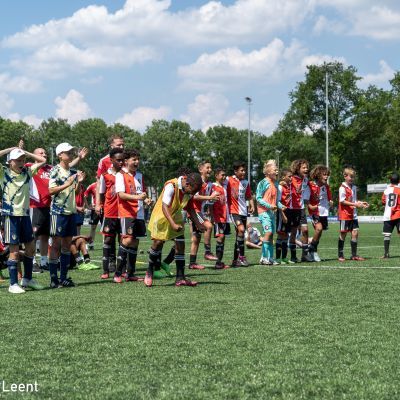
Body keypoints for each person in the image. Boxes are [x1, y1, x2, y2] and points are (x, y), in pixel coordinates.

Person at [145, 172, 204, 287]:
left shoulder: (189, 190)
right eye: (193, 191)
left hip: (175, 216)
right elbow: (164, 207)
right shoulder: (171, 186)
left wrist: (198, 224)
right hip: (161, 216)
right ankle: (149, 271)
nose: (193, 194)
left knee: (180, 244)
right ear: (187, 184)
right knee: (158, 243)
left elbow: (190, 208)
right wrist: (172, 224)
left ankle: (180, 278)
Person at [0, 147, 46, 293]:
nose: (21, 163)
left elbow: (43, 160)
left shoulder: (27, 172)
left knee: (31, 248)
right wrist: (11, 149)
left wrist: (25, 152)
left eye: (23, 160)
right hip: (11, 217)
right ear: (10, 162)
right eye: (17, 160)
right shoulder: (3, 173)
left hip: (25, 216)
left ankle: (27, 279)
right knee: (14, 251)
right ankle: (13, 284)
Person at [48, 143, 86, 288]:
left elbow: (76, 192)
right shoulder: (55, 170)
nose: (70, 154)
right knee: (56, 246)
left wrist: (78, 183)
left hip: (71, 212)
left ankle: (63, 278)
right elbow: (51, 190)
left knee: (66, 246)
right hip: (58, 213)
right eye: (68, 152)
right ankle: (53, 279)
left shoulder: (72, 171)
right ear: (60, 155)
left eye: (71, 152)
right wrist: (68, 183)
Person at [114, 149, 150, 283]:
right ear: (126, 161)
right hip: (127, 213)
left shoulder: (139, 175)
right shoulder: (120, 175)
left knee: (135, 242)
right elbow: (121, 195)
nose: (137, 162)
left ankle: (130, 274)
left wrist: (146, 200)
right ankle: (118, 273)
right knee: (127, 240)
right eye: (134, 159)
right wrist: (138, 197)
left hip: (139, 214)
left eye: (138, 159)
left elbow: (142, 193)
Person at [188, 161, 220, 270]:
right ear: (200, 170)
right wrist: (210, 197)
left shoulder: (210, 185)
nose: (210, 170)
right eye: (207, 167)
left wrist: (212, 214)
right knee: (208, 226)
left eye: (211, 168)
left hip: (200, 212)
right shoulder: (197, 181)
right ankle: (207, 252)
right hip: (193, 211)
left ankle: (192, 263)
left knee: (196, 238)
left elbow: (208, 201)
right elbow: (194, 197)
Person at [98, 148, 124, 278]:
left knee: (123, 239)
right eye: (118, 160)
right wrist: (101, 205)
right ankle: (105, 270)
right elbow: (102, 193)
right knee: (108, 238)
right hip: (110, 212)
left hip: (123, 212)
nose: (121, 162)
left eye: (122, 160)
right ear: (111, 160)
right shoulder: (105, 175)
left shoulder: (125, 175)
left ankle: (121, 269)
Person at [227, 161, 255, 267]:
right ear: (235, 171)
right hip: (234, 211)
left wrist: (252, 205)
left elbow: (249, 196)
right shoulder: (229, 180)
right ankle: (242, 257)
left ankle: (235, 260)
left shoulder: (246, 182)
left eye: (244, 170)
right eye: (241, 170)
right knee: (242, 230)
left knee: (239, 235)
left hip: (243, 212)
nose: (244, 172)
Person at [338, 167, 369, 262]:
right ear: (345, 176)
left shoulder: (354, 187)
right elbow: (342, 201)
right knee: (343, 234)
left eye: (353, 177)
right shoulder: (342, 188)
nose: (352, 178)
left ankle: (354, 255)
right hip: (345, 215)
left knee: (355, 233)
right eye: (350, 176)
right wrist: (355, 204)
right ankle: (340, 255)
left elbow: (353, 200)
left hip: (353, 215)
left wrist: (361, 203)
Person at [256, 160, 284, 265]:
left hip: (272, 213)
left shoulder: (275, 183)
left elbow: (275, 201)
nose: (277, 172)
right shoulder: (263, 183)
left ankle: (270, 258)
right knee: (268, 233)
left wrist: (280, 206)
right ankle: (263, 258)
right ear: (267, 172)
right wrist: (269, 206)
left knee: (271, 235)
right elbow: (258, 198)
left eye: (277, 170)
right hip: (263, 212)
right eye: (274, 170)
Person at [287, 159, 313, 263]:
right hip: (292, 209)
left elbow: (307, 192)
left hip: (301, 208)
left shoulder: (306, 180)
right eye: (304, 168)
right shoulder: (291, 178)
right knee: (293, 232)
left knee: (305, 230)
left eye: (307, 168)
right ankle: (293, 256)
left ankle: (304, 255)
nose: (306, 169)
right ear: (297, 169)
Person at [307, 165, 333, 262]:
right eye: (324, 175)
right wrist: (309, 205)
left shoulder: (326, 186)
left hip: (323, 212)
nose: (326, 177)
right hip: (314, 211)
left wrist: (331, 201)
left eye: (327, 175)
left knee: (320, 231)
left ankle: (311, 248)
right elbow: (305, 197)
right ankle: (312, 251)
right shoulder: (310, 185)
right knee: (319, 228)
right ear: (318, 175)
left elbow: (329, 197)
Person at [211, 166, 230, 269]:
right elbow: (210, 203)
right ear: (216, 176)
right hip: (218, 217)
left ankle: (219, 262)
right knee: (220, 237)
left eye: (225, 175)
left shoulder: (224, 187)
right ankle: (218, 263)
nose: (224, 177)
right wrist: (212, 216)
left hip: (225, 217)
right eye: (222, 175)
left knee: (223, 238)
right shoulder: (213, 187)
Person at [381, 172, 400, 258]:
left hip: (387, 215)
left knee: (387, 234)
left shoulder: (386, 190)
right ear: (398, 181)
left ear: (390, 181)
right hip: (398, 215)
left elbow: (383, 202)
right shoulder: (399, 190)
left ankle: (386, 254)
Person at [275, 168, 292, 264]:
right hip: (282, 213)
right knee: (281, 234)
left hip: (289, 212)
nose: (291, 178)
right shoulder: (280, 187)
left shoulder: (289, 186)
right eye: (289, 176)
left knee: (286, 235)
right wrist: (282, 214)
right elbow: (277, 202)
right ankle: (278, 258)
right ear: (283, 177)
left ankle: (284, 258)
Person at [84, 181, 100, 249]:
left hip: (104, 209)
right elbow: (85, 195)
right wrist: (87, 206)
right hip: (94, 210)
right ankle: (91, 244)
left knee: (105, 228)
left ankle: (106, 244)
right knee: (93, 227)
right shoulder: (92, 185)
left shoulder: (105, 184)